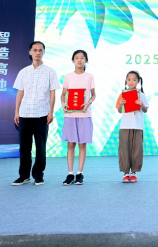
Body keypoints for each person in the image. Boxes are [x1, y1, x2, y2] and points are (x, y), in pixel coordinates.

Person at [11, 41, 60, 186]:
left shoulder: (50, 72)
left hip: (42, 114)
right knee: (24, 147)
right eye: (35, 50)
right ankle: (24, 176)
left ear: (44, 52)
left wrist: (51, 111)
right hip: (25, 113)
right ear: (30, 52)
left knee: (41, 147)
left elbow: (52, 93)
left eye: (40, 50)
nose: (38, 52)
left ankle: (38, 175)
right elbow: (20, 92)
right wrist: (16, 111)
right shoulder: (23, 72)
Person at [60, 50, 96, 186]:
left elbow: (93, 95)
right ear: (73, 60)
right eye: (77, 58)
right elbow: (63, 94)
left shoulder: (89, 77)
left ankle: (80, 173)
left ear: (86, 60)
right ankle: (70, 173)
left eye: (82, 58)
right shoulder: (68, 76)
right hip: (70, 114)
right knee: (71, 144)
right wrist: (63, 104)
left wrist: (88, 103)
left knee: (82, 144)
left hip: (84, 114)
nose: (79, 60)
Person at [116, 71, 149, 182]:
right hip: (125, 125)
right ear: (126, 81)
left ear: (138, 81)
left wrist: (141, 104)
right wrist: (120, 104)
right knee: (124, 149)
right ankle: (126, 172)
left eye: (134, 80)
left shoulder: (142, 95)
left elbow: (145, 110)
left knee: (137, 149)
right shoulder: (123, 95)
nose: (131, 82)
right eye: (129, 79)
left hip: (137, 125)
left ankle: (134, 172)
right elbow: (119, 110)